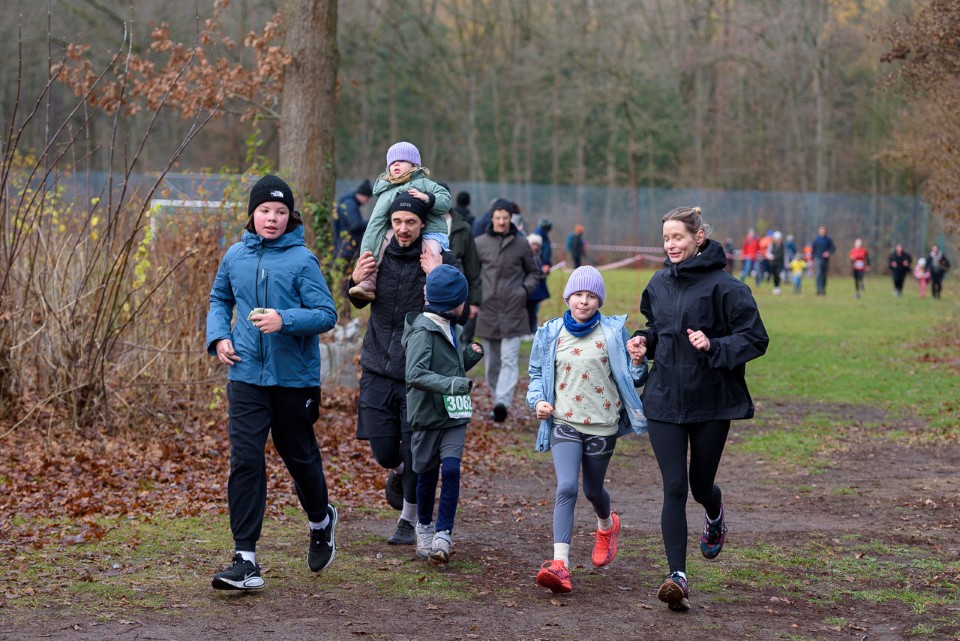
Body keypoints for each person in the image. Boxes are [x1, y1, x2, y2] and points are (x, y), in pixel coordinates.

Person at [627, 206, 768, 612]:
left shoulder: (727, 288)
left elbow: (755, 338)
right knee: (674, 486)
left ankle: (714, 511)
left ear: (698, 237)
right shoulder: (658, 283)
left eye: (678, 237)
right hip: (664, 399)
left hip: (711, 401)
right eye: (666, 238)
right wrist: (643, 342)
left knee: (700, 484)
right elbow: (658, 329)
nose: (670, 245)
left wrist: (714, 345)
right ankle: (677, 577)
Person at [206, 175, 340, 591]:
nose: (272, 218)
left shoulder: (302, 260)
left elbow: (326, 314)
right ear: (252, 214)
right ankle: (245, 559)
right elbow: (220, 298)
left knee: (299, 458)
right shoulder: (235, 255)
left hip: (292, 379)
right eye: (265, 210)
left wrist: (286, 320)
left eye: (280, 212)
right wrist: (219, 336)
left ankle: (320, 520)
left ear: (290, 217)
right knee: (245, 460)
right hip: (245, 374)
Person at [348, 194, 462, 545]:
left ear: (423, 224)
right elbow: (356, 299)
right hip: (377, 363)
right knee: (383, 451)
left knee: (416, 452)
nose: (402, 228)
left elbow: (461, 311)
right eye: (397, 221)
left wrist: (436, 274)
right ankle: (398, 472)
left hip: (419, 372)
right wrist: (353, 280)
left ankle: (408, 519)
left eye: (410, 222)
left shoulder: (439, 259)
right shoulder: (378, 252)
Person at [527, 266, 649, 594]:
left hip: (602, 425)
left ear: (599, 301)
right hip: (564, 422)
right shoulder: (550, 333)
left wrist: (639, 362)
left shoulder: (613, 332)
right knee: (567, 486)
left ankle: (607, 526)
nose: (584, 301)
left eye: (591, 296)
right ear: (568, 297)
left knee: (593, 491)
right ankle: (560, 564)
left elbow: (634, 378)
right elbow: (536, 373)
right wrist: (538, 401)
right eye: (578, 295)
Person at [402, 265, 484, 564]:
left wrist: (468, 358)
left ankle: (443, 534)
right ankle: (424, 526)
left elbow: (449, 367)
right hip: (426, 415)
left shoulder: (452, 326)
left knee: (450, 470)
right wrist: (454, 384)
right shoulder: (423, 331)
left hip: (454, 415)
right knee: (426, 474)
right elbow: (415, 374)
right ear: (454, 302)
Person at [348, 141, 451, 302]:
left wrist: (427, 198)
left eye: (402, 161)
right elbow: (375, 224)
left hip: (432, 232)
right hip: (396, 237)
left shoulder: (426, 184)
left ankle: (432, 294)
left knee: (431, 257)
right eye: (392, 162)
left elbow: (445, 201)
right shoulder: (386, 191)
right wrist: (365, 257)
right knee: (381, 242)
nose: (396, 164)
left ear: (414, 165)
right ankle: (369, 280)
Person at [474, 202, 542, 423]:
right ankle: (498, 402)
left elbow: (534, 273)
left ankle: (502, 402)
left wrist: (523, 291)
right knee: (492, 364)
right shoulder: (480, 244)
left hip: (514, 310)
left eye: (505, 217)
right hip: (488, 311)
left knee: (510, 359)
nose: (502, 221)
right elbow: (473, 275)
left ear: (511, 219)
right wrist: (476, 298)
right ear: (492, 219)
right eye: (498, 218)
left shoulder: (522, 244)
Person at [443, 188, 482, 345]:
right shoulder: (423, 225)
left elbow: (473, 267)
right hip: (428, 296)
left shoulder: (463, 228)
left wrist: (475, 302)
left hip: (458, 293)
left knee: (458, 342)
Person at [332, 179, 373, 316]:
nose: (367, 201)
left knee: (344, 280)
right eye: (367, 197)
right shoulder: (350, 204)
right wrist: (372, 222)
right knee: (345, 281)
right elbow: (354, 225)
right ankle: (344, 313)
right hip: (346, 250)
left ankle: (344, 312)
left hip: (346, 248)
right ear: (362, 195)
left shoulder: (348, 202)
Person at [525, 234, 551, 334]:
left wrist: (545, 271)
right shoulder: (527, 257)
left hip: (536, 290)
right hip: (530, 290)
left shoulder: (537, 257)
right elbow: (531, 271)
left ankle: (532, 329)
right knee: (529, 311)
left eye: (537, 245)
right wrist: (541, 270)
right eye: (533, 244)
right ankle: (528, 331)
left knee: (534, 311)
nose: (535, 247)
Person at [811, 225, 836, 295]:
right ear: (819, 231)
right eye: (821, 231)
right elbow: (813, 250)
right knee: (818, 274)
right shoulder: (816, 240)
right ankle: (818, 289)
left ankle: (823, 289)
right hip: (818, 259)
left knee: (824, 275)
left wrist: (828, 252)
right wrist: (812, 259)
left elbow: (833, 248)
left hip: (826, 260)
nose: (822, 232)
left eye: (824, 231)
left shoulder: (828, 239)